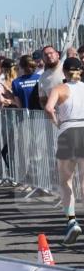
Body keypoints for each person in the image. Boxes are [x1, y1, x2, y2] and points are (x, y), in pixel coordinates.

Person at [44, 57, 84, 245]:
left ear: (65, 72)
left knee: (66, 181)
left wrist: (57, 123)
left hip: (68, 132)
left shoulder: (59, 89)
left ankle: (72, 221)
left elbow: (49, 108)